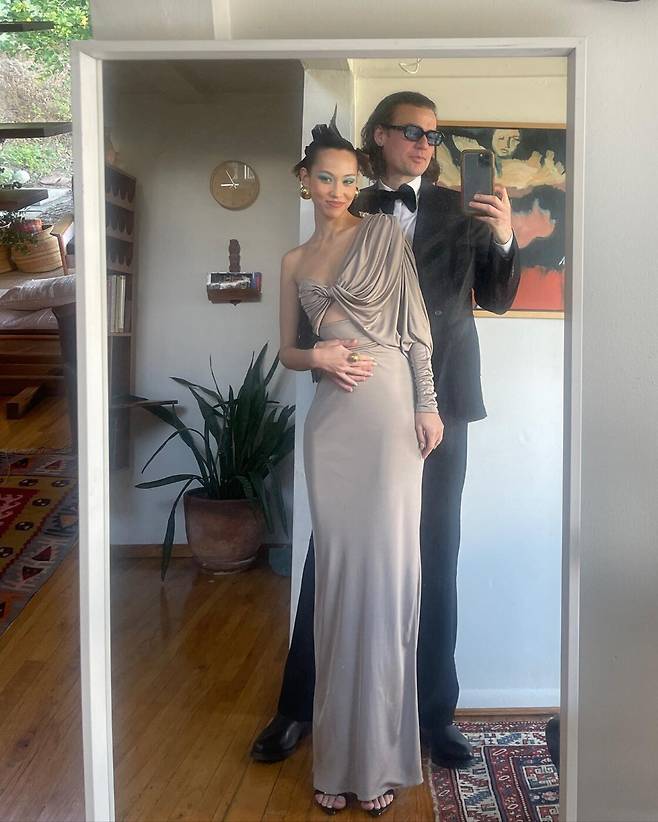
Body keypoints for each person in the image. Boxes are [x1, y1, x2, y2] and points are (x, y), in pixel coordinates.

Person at [253, 91, 519, 775]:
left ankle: (434, 716)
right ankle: (300, 705)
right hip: (358, 402)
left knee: (435, 553)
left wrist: (503, 235)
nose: (426, 144)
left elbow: (497, 297)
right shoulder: (348, 203)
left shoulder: (463, 208)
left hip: (441, 402)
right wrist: (320, 357)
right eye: (412, 131)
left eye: (433, 134)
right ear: (379, 136)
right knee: (334, 553)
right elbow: (309, 319)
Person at [277, 115, 443, 816]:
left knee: (389, 582)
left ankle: (378, 761)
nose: (338, 190)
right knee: (339, 586)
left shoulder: (383, 235)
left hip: (391, 413)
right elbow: (288, 350)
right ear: (305, 181)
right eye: (325, 178)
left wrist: (427, 404)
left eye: (349, 179)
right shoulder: (293, 261)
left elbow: (416, 331)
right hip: (332, 426)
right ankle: (337, 758)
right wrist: (316, 356)